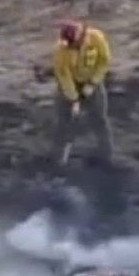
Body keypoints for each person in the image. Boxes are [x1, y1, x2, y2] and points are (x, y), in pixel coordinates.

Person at [49, 20, 114, 166]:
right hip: (70, 85)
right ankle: (58, 160)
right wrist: (73, 99)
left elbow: (104, 61)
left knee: (100, 119)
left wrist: (92, 83)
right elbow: (63, 75)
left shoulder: (96, 38)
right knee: (63, 122)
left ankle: (106, 156)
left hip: (92, 82)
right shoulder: (61, 50)